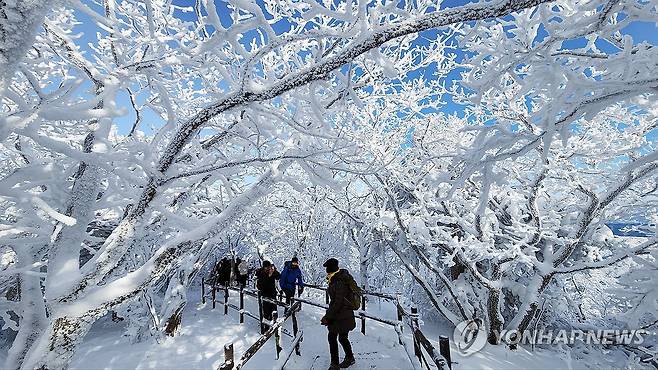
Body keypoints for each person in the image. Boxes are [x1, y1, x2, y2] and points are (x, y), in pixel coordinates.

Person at [320, 258, 356, 370]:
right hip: (342, 315)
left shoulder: (339, 281)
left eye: (327, 267)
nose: (326, 270)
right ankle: (349, 358)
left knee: (332, 337)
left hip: (341, 315)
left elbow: (337, 302)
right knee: (342, 337)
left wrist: (328, 316)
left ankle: (335, 365)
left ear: (331, 268)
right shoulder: (336, 278)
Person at [256, 260, 280, 332]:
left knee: (274, 309)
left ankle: (275, 325)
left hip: (272, 293)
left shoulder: (272, 271)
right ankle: (266, 328)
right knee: (266, 311)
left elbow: (279, 276)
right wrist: (268, 276)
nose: (267, 268)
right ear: (264, 267)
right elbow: (260, 284)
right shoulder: (260, 272)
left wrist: (274, 271)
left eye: (268, 267)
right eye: (266, 267)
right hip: (265, 294)